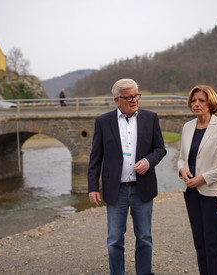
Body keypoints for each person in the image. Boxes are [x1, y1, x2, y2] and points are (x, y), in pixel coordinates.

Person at [88, 78, 166, 275]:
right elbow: (95, 158)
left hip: (143, 188)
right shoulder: (103, 122)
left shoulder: (151, 118)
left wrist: (148, 162)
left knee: (145, 237)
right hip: (116, 190)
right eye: (129, 97)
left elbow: (160, 149)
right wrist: (92, 187)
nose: (134, 100)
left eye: (136, 95)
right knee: (114, 239)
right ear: (117, 100)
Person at [177, 85, 217, 275]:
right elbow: (182, 156)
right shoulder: (187, 126)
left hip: (212, 192)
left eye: (201, 100)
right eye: (193, 100)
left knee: (212, 244)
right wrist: (182, 169)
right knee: (199, 242)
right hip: (190, 192)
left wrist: (203, 178)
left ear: (211, 103)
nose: (196, 104)